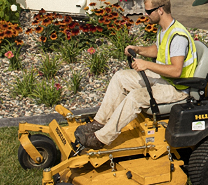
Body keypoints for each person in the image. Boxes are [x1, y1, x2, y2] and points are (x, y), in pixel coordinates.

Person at [74, 0, 199, 149]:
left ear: (160, 10)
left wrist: (146, 64)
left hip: (178, 88)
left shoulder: (178, 36)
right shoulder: (165, 29)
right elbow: (159, 50)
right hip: (165, 79)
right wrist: (138, 49)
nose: (145, 15)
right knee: (121, 77)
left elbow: (176, 71)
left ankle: (101, 139)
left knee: (135, 97)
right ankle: (99, 123)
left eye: (148, 12)